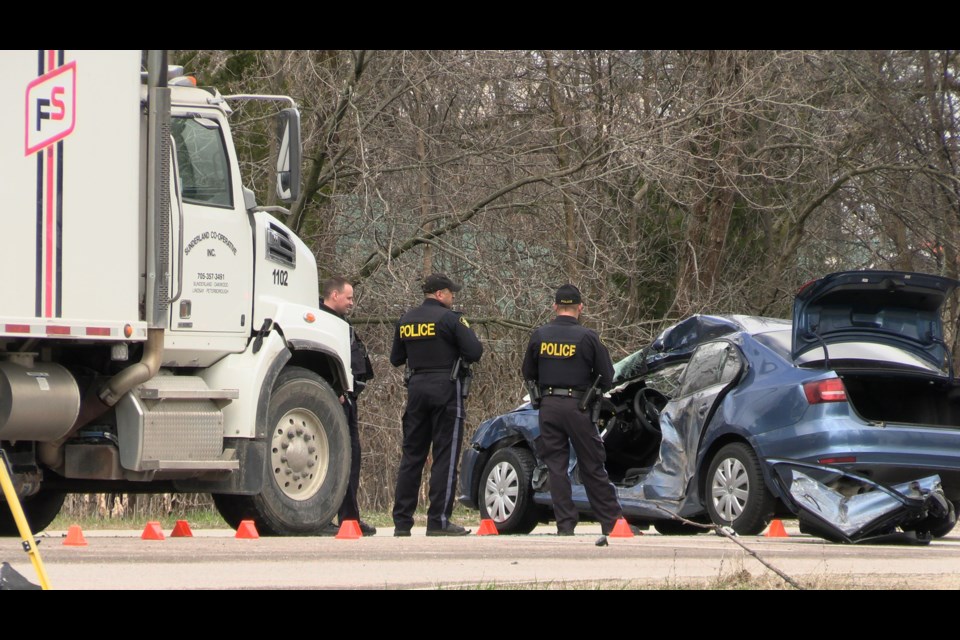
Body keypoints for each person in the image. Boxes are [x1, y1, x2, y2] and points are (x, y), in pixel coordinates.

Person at [521, 284, 624, 540]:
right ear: (580, 307)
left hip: (548, 406)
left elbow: (528, 372)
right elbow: (607, 376)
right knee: (592, 464)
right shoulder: (587, 337)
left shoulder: (540, 335)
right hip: (578, 406)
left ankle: (565, 525)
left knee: (556, 466)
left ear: (555, 306)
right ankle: (611, 523)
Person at [390, 273, 483, 536]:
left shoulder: (406, 319)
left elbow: (396, 358)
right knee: (445, 455)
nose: (453, 298)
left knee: (412, 456)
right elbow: (475, 352)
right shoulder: (451, 319)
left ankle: (402, 522)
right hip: (446, 388)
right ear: (440, 294)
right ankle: (438, 521)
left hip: (416, 388)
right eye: (451, 293)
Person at [319, 276, 376, 536]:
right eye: (349, 297)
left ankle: (349, 518)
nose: (352, 302)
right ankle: (327, 518)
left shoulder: (341, 323)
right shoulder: (322, 322)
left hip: (348, 398)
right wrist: (335, 391)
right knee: (336, 459)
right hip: (336, 400)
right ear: (334, 295)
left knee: (351, 459)